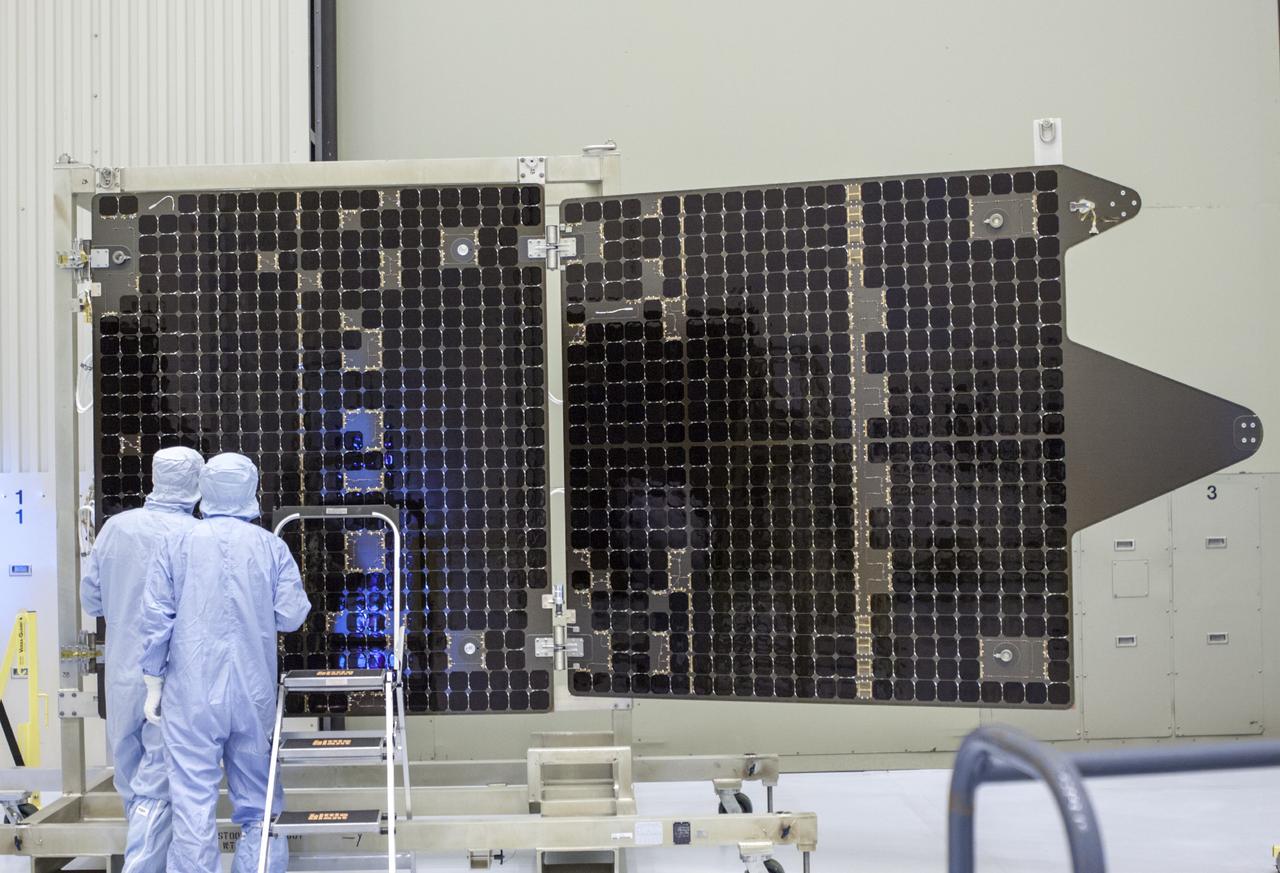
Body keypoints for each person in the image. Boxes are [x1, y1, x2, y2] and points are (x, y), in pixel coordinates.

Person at [139, 453, 311, 873]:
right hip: (253, 694)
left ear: (206, 489)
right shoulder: (271, 546)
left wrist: (153, 682)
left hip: (190, 695)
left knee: (193, 805)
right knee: (260, 806)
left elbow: (156, 619)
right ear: (251, 489)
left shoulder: (177, 543)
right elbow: (292, 615)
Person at [81, 446, 204, 873]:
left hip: (121, 675)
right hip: (173, 678)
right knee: (158, 785)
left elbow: (91, 599)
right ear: (198, 483)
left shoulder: (116, 529)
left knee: (133, 783)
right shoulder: (196, 537)